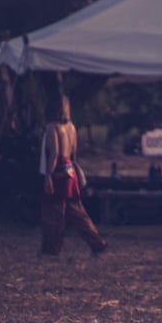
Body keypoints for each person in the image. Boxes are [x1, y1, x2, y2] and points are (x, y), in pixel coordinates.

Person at [38, 93, 108, 256]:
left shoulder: (52, 127)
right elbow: (74, 154)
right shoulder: (71, 127)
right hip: (70, 171)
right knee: (77, 211)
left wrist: (48, 175)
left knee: (53, 212)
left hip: (57, 172)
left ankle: (50, 250)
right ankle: (97, 242)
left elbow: (55, 153)